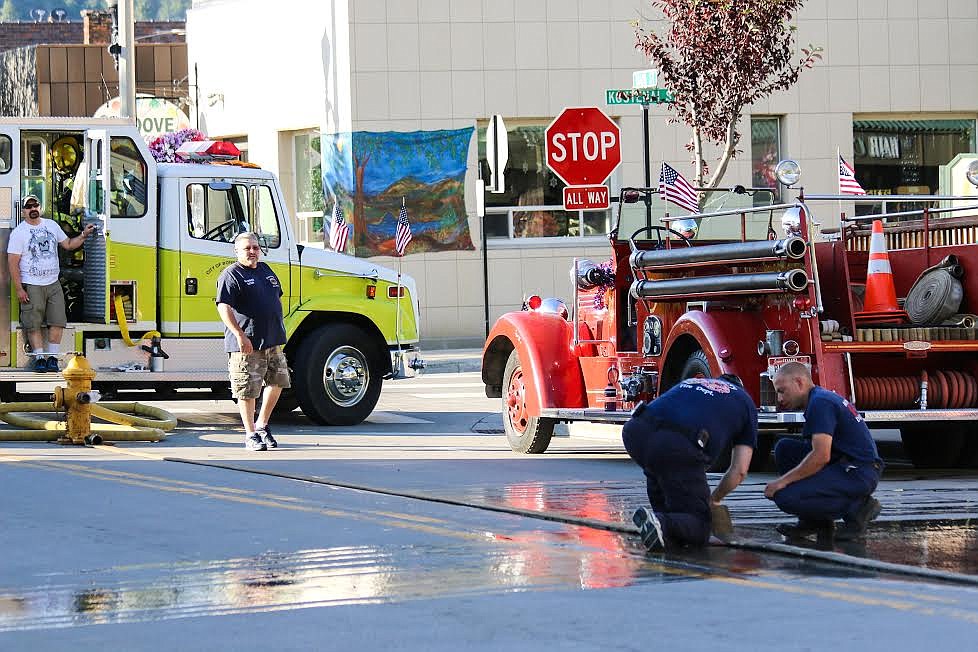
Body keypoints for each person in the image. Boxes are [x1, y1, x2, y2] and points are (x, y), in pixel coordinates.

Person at [623, 374, 757, 550]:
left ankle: (661, 526)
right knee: (700, 525)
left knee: (666, 478)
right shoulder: (745, 402)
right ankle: (661, 522)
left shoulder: (691, 382)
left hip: (636, 431)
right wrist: (714, 500)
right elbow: (739, 470)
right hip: (676, 445)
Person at [764, 362, 883, 540]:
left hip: (858, 471)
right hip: (847, 463)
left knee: (785, 497)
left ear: (799, 382)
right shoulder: (820, 398)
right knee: (785, 448)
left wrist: (782, 482)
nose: (779, 399)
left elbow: (820, 456)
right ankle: (815, 522)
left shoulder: (820, 403)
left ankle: (858, 508)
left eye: (782, 391)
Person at [216, 232, 290, 451]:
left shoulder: (266, 271)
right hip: (247, 344)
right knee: (247, 390)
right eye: (247, 248)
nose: (252, 252)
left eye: (255, 248)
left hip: (272, 341)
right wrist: (240, 334)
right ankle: (249, 435)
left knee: (277, 382)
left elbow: (275, 298)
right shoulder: (231, 275)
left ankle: (262, 426)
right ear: (237, 251)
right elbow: (223, 307)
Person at [7, 194, 96, 372]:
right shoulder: (19, 232)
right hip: (31, 285)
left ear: (40, 207)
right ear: (23, 211)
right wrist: (19, 289)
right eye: (28, 207)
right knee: (33, 323)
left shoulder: (52, 225)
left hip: (53, 283)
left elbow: (69, 245)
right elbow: (12, 262)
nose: (33, 209)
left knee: (57, 321)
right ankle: (39, 358)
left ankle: (53, 358)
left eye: (35, 205)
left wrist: (84, 235)